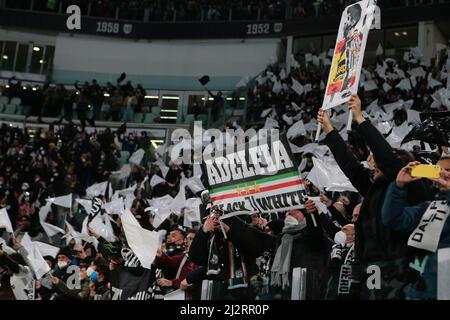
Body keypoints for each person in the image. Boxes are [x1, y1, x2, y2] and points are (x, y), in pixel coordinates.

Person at [317, 94, 430, 300]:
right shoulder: (374, 190)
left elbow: (386, 157)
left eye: (377, 166)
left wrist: (360, 118)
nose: (372, 168)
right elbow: (351, 168)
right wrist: (329, 130)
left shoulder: (413, 187)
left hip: (399, 273)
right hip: (370, 272)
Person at [381, 157, 450, 299]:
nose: (442, 173)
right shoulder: (428, 208)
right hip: (420, 289)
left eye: (448, 170)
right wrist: (398, 186)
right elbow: (393, 219)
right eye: (438, 169)